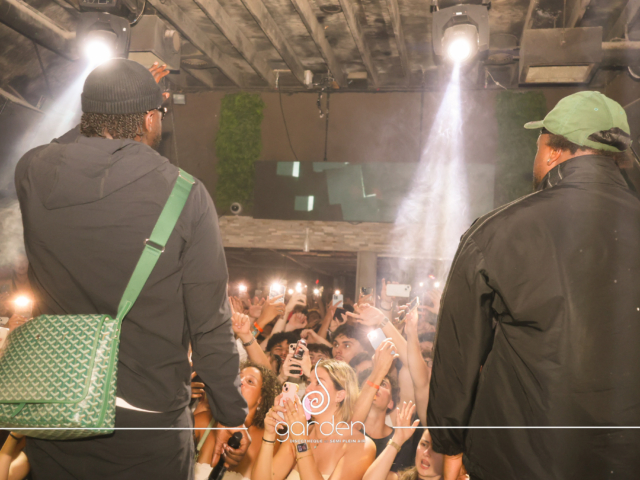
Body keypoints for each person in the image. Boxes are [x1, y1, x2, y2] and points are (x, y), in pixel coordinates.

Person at [15, 59, 248, 479]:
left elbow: (64, 146)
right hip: (146, 416)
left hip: (55, 400)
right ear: (149, 118)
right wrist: (231, 413)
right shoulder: (186, 195)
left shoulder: (31, 170)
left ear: (87, 115)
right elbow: (209, 325)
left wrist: (110, 102)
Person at [428, 91, 640, 479]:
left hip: (519, 462)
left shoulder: (496, 232)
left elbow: (458, 353)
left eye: (538, 144)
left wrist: (449, 443)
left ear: (553, 151)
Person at [253, 359, 377, 480]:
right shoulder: (300, 433)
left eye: (318, 383)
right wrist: (269, 435)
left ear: (339, 395)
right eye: (309, 382)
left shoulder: (360, 445)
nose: (308, 389)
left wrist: (301, 440)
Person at [194, 361, 281, 480]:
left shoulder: (268, 438)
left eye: (250, 381)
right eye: (238, 377)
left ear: (261, 398)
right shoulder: (205, 421)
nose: (240, 382)